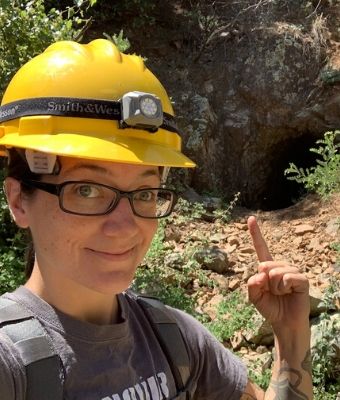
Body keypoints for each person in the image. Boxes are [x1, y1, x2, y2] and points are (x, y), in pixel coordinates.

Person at [0, 39, 312, 400]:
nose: (126, 225)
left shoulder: (174, 340)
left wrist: (291, 338)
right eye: (87, 190)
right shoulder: (10, 364)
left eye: (145, 194)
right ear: (19, 200)